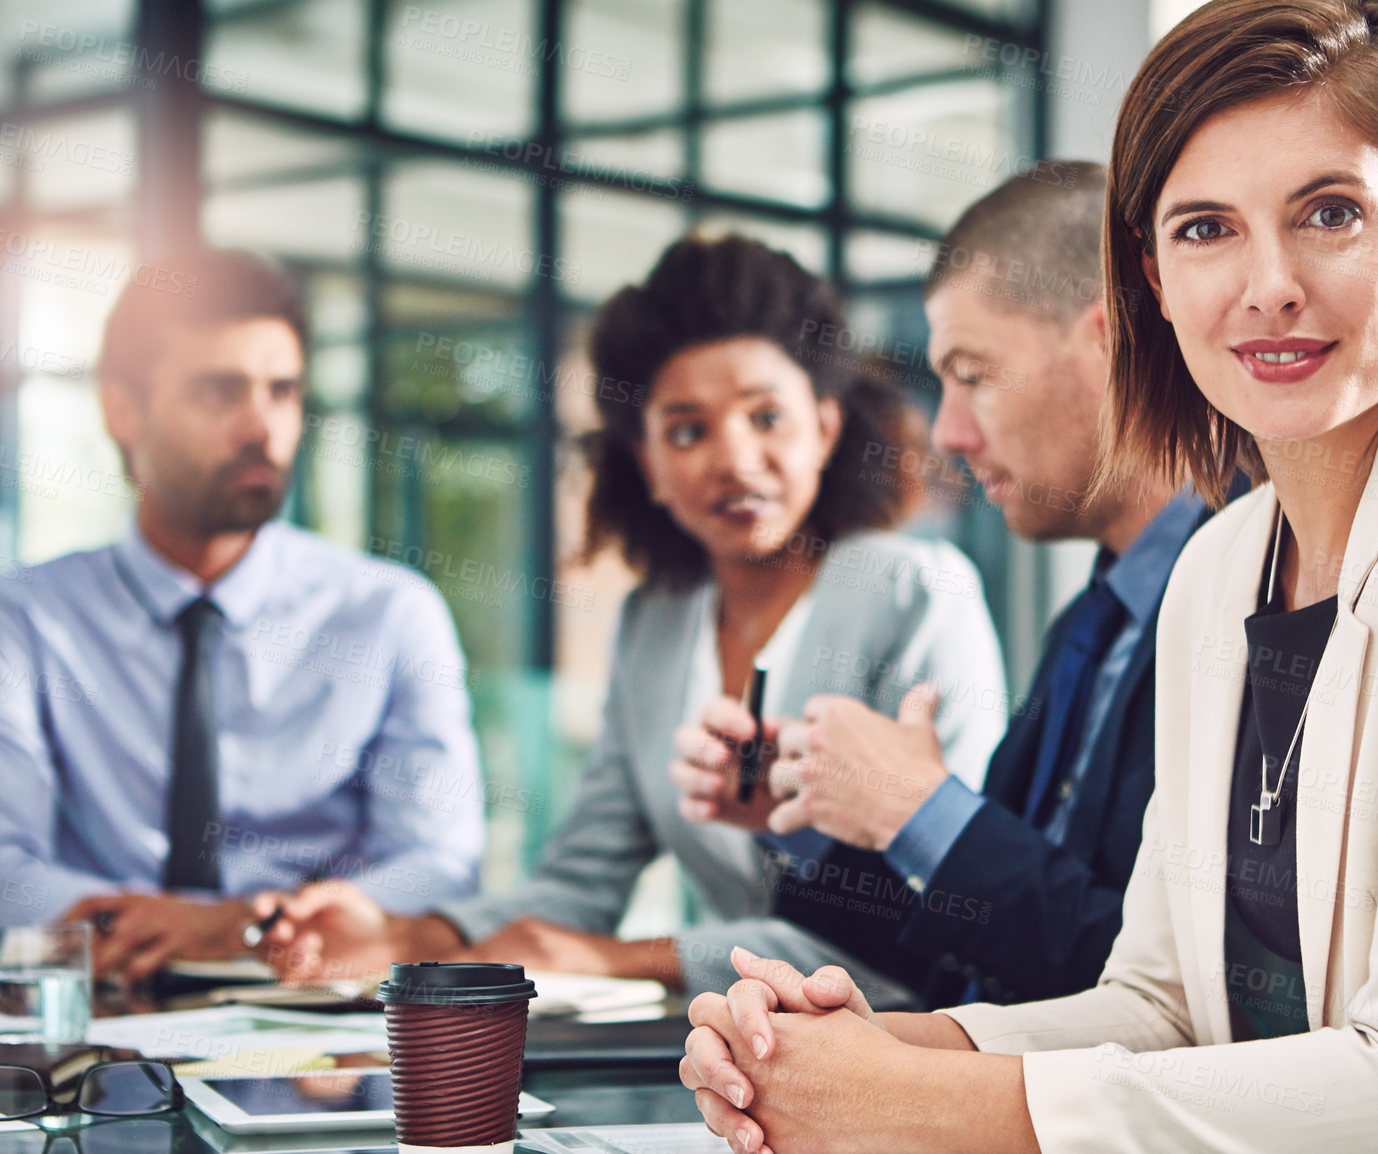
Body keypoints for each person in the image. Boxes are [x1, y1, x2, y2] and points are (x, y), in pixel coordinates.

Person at [679, 2, 1378, 1151]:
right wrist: (869, 1049)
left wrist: (905, 1103)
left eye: (1328, 213)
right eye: (1205, 230)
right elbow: (1161, 1006)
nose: (1267, 284)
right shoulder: (1219, 565)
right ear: (1153, 278)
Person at [258, 236, 1006, 996]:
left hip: (901, 1050)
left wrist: (623, 960)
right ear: (647, 463)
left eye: (767, 417)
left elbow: (928, 922)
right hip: (727, 1053)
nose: (734, 459)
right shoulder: (658, 622)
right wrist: (416, 932)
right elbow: (581, 882)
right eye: (687, 430)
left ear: (824, 428)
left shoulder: (914, 593)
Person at [672, 163, 1234, 1008]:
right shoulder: (1093, 623)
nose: (949, 433)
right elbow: (981, 954)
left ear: (1108, 344)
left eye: (972, 375)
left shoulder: (1252, 607)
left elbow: (1162, 988)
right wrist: (833, 814)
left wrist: (922, 810)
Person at [0, 248, 484, 981]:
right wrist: (121, 920)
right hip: (100, 1009)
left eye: (283, 391)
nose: (262, 427)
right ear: (122, 408)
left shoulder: (389, 615)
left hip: (322, 1021)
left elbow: (439, 862)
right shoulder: (27, 620)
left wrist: (246, 925)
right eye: (218, 392)